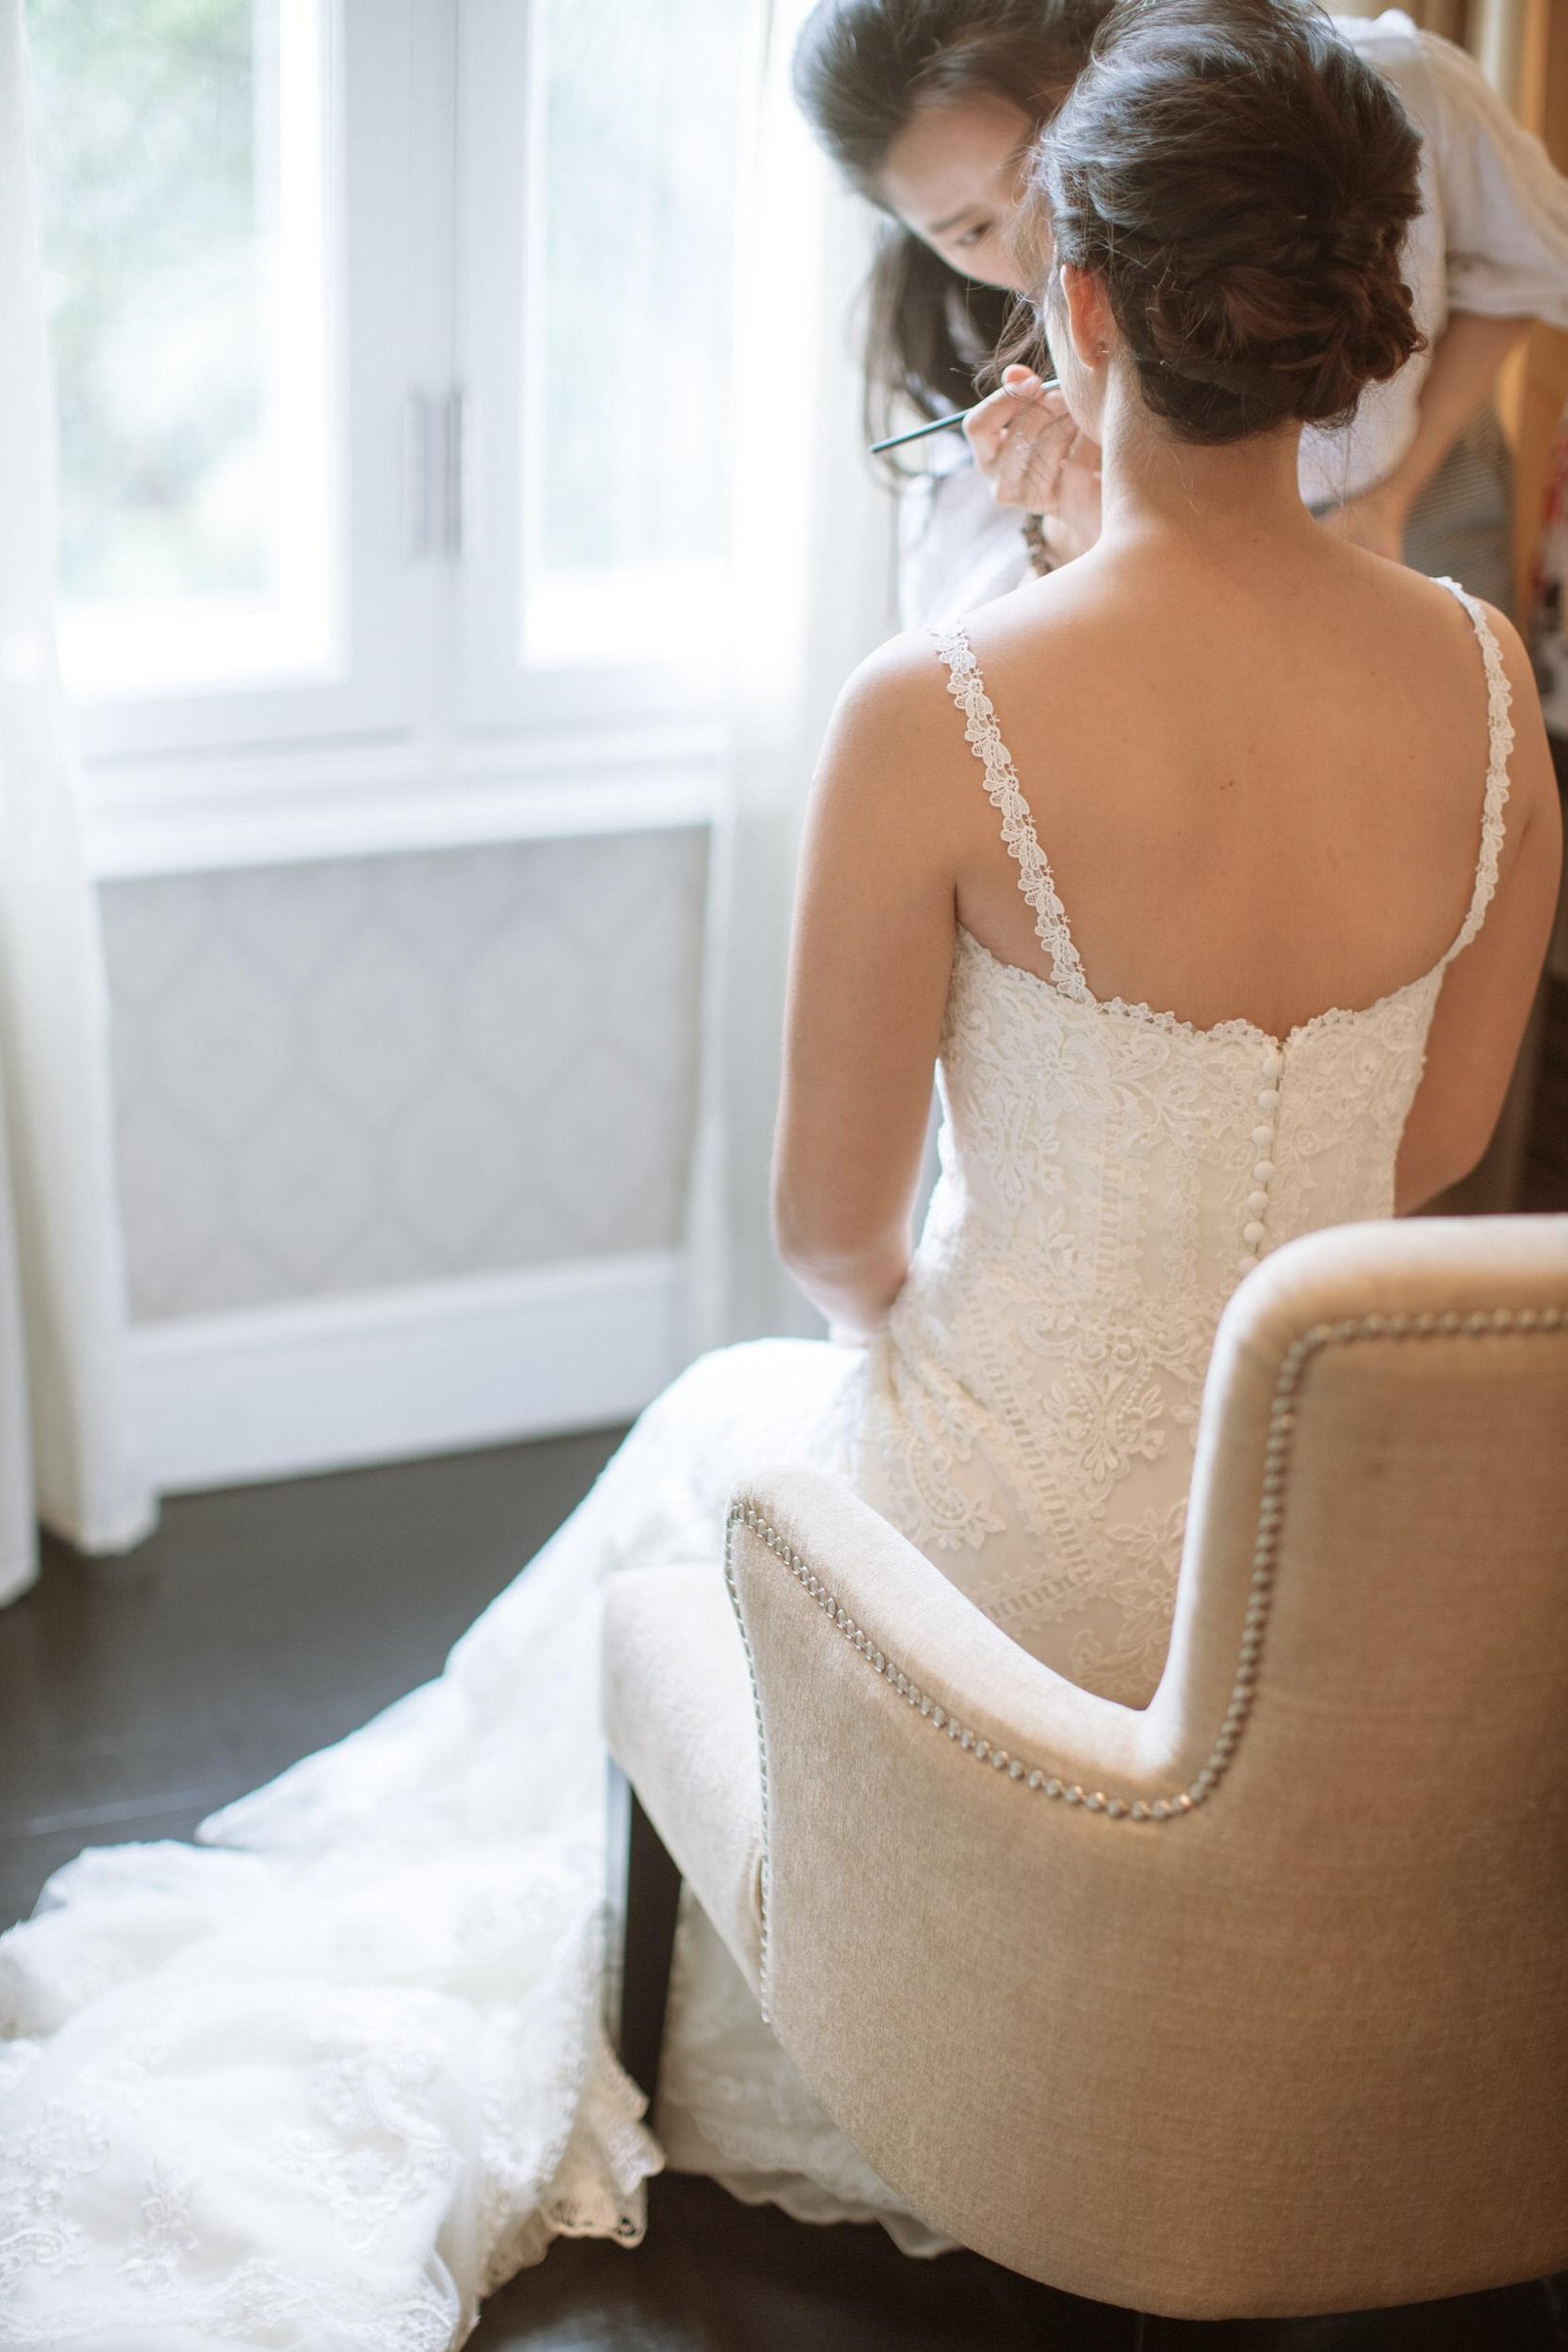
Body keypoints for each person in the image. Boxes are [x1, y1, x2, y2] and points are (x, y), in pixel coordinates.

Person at [0, 2, 1559, 2341]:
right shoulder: (1480, 684)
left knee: (711, 1433)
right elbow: (1423, 1152)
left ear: (1087, 300)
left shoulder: (935, 714)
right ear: (1357, 300)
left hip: (1010, 1570)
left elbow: (828, 1239)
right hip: (1316, 1563)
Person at [793, 0, 1568, 626]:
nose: (1039, 244)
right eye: (968, 231)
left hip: (1416, 513)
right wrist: (1071, 525)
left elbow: (1518, 269)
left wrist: (1388, 498)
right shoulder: (961, 351)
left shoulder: (1375, 97)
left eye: (1042, 164)